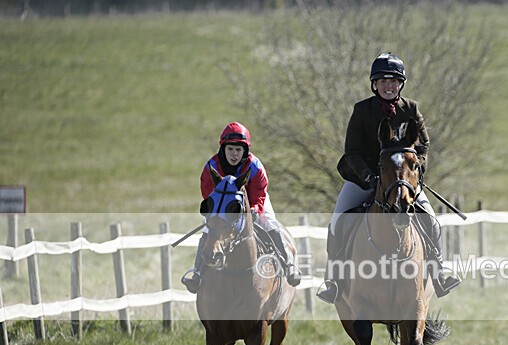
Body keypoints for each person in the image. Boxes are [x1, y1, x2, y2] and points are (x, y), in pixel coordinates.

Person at [316, 53, 460, 304]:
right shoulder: (362, 110)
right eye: (383, 81)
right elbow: (352, 152)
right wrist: (370, 178)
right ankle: (334, 280)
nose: (388, 86)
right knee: (338, 221)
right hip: (365, 179)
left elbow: (423, 147)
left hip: (403, 180)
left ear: (401, 84)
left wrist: (413, 173)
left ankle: (440, 272)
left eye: (393, 81)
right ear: (374, 85)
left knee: (432, 221)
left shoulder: (411, 109)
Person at [181, 122, 301, 293]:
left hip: (253, 203)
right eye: (230, 149)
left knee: (270, 223)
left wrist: (253, 209)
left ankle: (288, 264)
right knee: (209, 231)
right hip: (223, 207)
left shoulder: (255, 166)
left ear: (245, 151)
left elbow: (260, 192)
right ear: (223, 149)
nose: (234, 154)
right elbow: (208, 191)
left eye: (239, 150)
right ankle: (197, 274)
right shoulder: (212, 166)